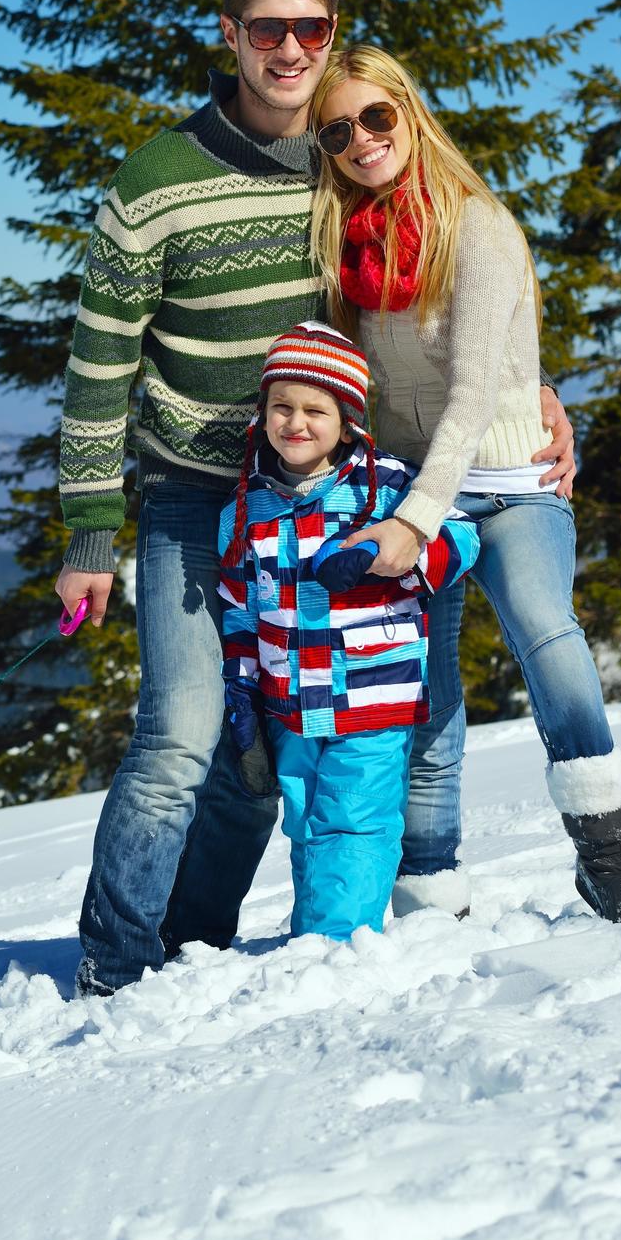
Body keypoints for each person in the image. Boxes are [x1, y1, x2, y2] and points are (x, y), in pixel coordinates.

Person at [55, 0, 577, 995]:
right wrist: (87, 536)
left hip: (323, 498)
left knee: (269, 743)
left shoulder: (346, 164)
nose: (289, 50)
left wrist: (535, 393)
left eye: (310, 29)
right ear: (229, 33)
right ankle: (115, 965)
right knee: (182, 737)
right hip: (195, 496)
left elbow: (436, 302)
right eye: (266, 28)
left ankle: (191, 947)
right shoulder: (156, 180)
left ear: (331, 33)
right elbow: (98, 359)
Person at [308, 44, 621, 924]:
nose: (362, 140)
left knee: (548, 635)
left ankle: (612, 867)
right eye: (339, 128)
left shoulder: (479, 225)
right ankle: (429, 884)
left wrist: (418, 522)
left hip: (507, 481)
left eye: (376, 117)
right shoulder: (343, 244)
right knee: (427, 683)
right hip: (412, 490)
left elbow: (468, 394)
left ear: (409, 112)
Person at [218, 323, 478, 940]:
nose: (296, 423)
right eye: (282, 406)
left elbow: (463, 535)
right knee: (306, 824)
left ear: (348, 420)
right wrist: (243, 689)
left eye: (316, 410)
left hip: (371, 699)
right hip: (290, 704)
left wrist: (400, 551)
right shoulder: (246, 507)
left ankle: (338, 944)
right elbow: (239, 606)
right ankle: (315, 935)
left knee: (354, 823)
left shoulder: (385, 487)